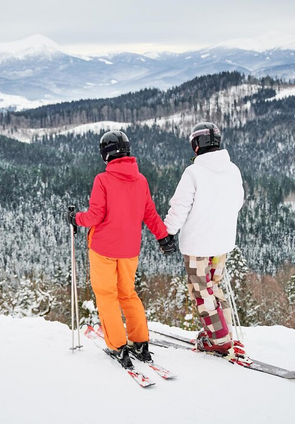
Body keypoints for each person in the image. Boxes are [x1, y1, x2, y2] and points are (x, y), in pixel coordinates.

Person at [66, 130, 176, 368]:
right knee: (127, 294)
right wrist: (163, 237)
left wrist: (76, 218)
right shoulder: (141, 180)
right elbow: (150, 214)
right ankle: (140, 342)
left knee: (107, 297)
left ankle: (118, 346)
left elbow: (95, 216)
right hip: (129, 250)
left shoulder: (103, 180)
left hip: (103, 249)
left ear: (105, 154)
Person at [164, 122, 245, 356]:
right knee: (213, 286)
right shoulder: (233, 170)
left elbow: (180, 207)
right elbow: (237, 203)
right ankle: (223, 332)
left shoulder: (193, 173)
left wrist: (168, 232)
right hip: (222, 243)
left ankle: (218, 339)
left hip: (197, 245)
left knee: (201, 290)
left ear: (196, 145)